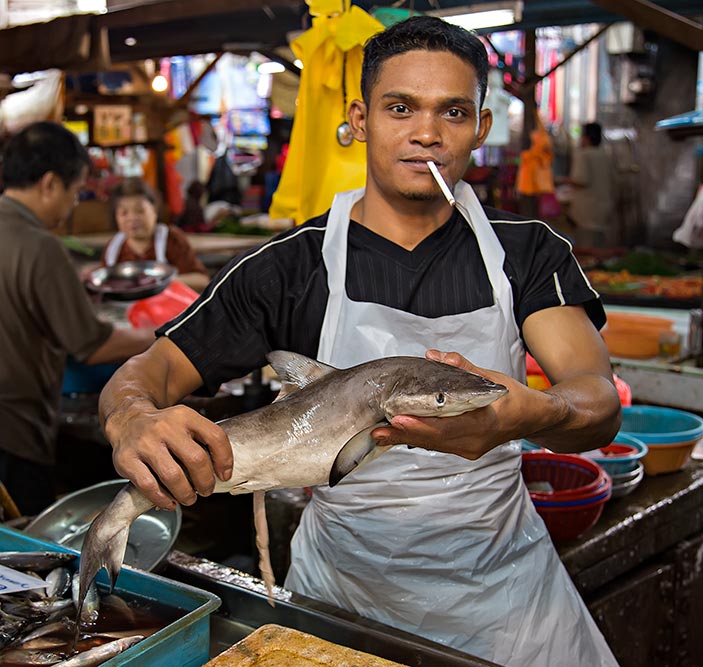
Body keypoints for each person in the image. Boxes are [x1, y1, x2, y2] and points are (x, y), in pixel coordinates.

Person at [98, 17, 621, 667]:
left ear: (482, 128)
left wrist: (534, 414)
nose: (426, 133)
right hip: (340, 598)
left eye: (452, 112)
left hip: (505, 602)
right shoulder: (289, 267)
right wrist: (131, 419)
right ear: (361, 117)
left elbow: (596, 398)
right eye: (400, 107)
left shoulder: (527, 253)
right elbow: (145, 373)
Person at [0, 122, 154, 516]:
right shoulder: (40, 246)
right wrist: (166, 332)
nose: (73, 204)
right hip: (9, 429)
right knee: (20, 544)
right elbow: (93, 345)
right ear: (50, 183)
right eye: (74, 191)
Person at [102, 178, 210, 292]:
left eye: (140, 211)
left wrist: (161, 282)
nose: (132, 218)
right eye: (124, 213)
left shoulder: (172, 239)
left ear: (154, 210)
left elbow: (201, 280)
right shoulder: (113, 248)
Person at [563, 122, 615, 247]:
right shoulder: (605, 154)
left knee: (587, 247)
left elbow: (581, 180)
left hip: (587, 210)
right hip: (604, 207)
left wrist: (562, 180)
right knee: (598, 244)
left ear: (586, 138)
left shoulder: (584, 155)